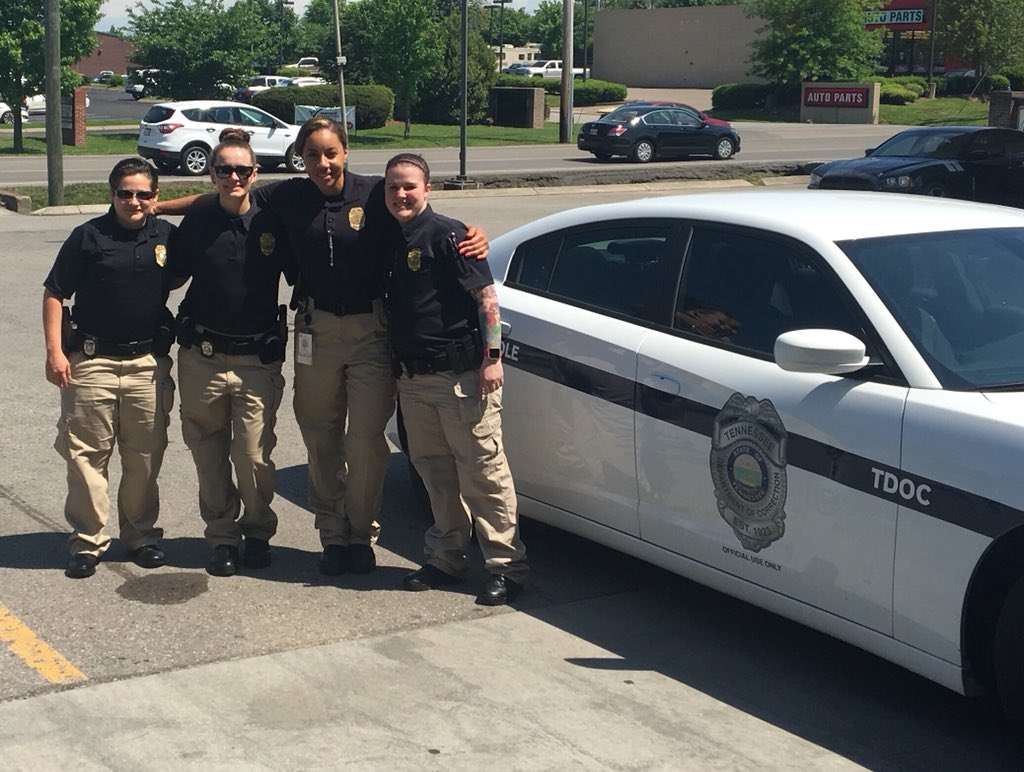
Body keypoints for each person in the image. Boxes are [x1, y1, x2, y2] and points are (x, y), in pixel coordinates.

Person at [154, 116, 488, 578]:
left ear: (345, 152)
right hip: (313, 329)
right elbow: (220, 197)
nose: (323, 163)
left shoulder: (376, 192)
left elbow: (423, 212)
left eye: (331, 153)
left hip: (371, 330)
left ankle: (360, 532)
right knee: (321, 434)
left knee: (366, 440)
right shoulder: (286, 195)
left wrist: (472, 233)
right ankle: (333, 534)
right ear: (301, 158)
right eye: (313, 155)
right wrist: (155, 207)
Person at [382, 153, 528, 606]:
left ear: (427, 189)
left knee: (483, 472)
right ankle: (447, 557)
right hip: (413, 378)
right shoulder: (387, 236)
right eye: (393, 187)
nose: (401, 194)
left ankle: (507, 567)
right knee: (434, 473)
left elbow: (486, 297)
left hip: (461, 376)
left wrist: (493, 358)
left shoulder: (451, 236)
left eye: (409, 186)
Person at [43, 158, 177, 579]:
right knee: (86, 458)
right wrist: (54, 353)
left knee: (143, 458)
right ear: (111, 194)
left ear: (155, 197)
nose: (133, 201)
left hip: (146, 364)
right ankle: (88, 542)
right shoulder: (88, 236)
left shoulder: (167, 237)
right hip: (92, 362)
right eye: (125, 192)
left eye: (143, 193)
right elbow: (54, 293)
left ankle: (140, 537)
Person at [168, 129, 287, 577]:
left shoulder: (273, 221)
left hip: (257, 358)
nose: (232, 176)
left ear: (255, 173)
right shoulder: (197, 220)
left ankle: (257, 531)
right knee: (208, 453)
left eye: (241, 169)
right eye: (224, 169)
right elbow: (171, 277)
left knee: (254, 455)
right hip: (203, 355)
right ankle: (221, 535)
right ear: (213, 174)